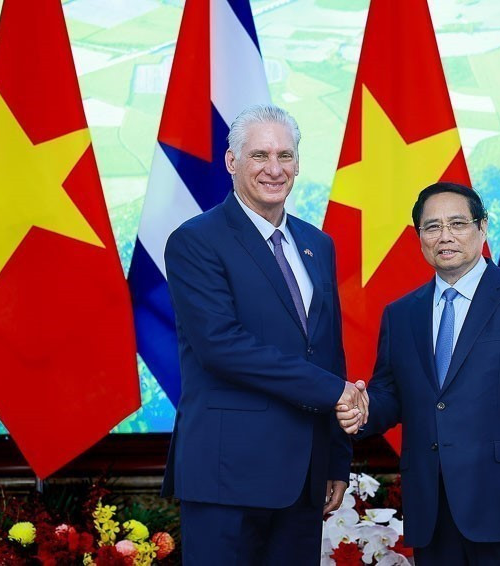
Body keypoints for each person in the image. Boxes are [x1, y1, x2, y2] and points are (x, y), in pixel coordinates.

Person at [162, 104, 367, 564]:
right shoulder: (195, 241)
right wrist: (335, 391)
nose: (274, 169)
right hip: (227, 475)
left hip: (304, 476)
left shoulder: (317, 244)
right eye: (259, 155)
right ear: (232, 161)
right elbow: (221, 346)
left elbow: (327, 354)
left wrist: (336, 458)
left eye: (285, 155)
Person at [337, 182, 500, 565]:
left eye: (457, 223)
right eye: (432, 227)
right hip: (433, 512)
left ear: (482, 227)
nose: (445, 236)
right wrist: (361, 410)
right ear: (419, 237)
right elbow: (392, 395)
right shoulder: (402, 314)